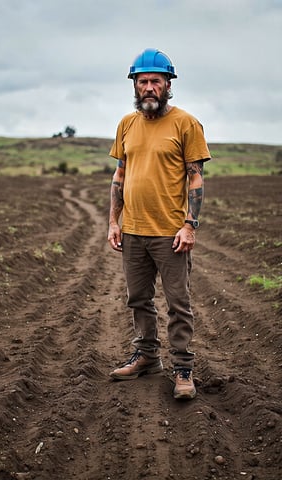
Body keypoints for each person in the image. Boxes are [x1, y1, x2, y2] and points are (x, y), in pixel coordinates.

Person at [107, 48, 211, 400]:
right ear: (134, 86)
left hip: (170, 233)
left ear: (168, 84)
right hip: (133, 231)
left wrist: (189, 225)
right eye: (142, 81)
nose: (148, 87)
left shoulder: (186, 123)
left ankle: (183, 368)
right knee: (138, 299)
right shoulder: (127, 123)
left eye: (155, 81)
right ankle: (148, 358)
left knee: (178, 303)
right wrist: (114, 222)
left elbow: (195, 179)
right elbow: (119, 175)